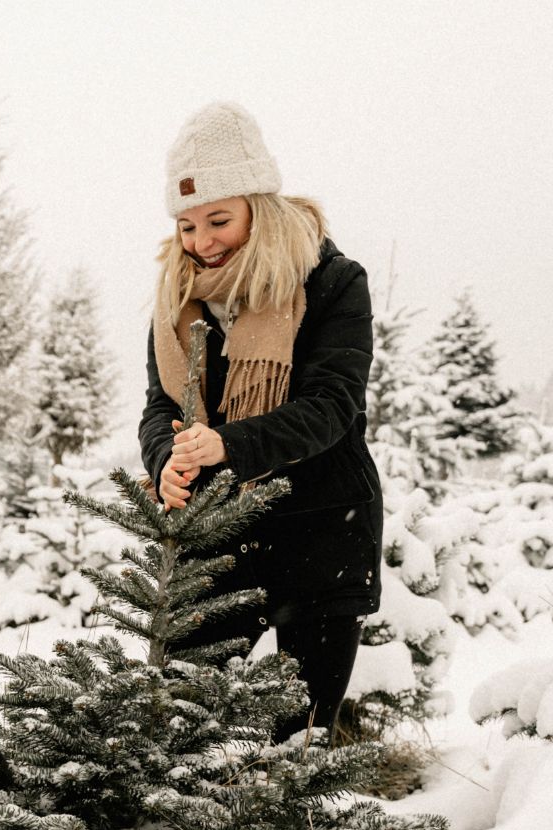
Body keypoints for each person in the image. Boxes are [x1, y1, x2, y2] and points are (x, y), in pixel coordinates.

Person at [140, 101, 383, 740]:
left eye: (219, 219)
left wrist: (226, 445)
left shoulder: (332, 282)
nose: (202, 242)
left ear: (259, 206)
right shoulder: (177, 300)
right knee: (178, 733)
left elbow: (331, 407)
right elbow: (161, 406)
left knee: (299, 741)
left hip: (324, 534)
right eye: (187, 226)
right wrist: (166, 461)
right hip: (220, 539)